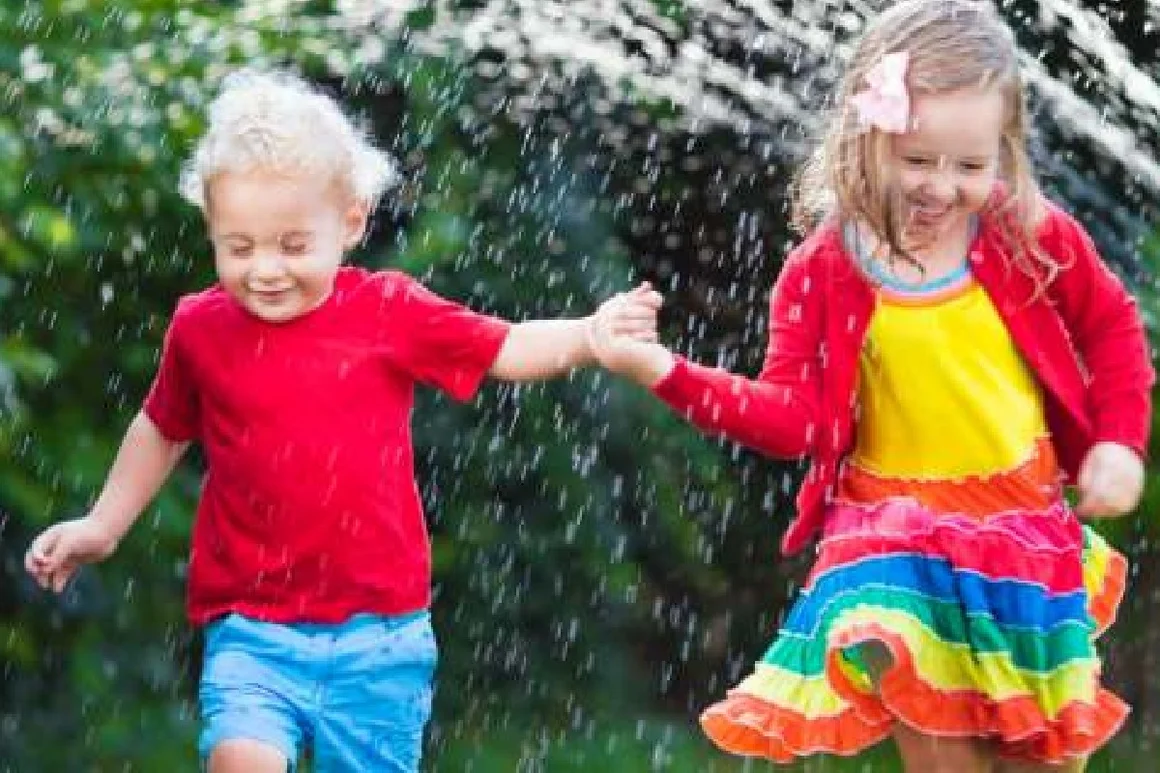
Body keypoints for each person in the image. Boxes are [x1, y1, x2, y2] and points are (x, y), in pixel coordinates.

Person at [24, 70, 660, 773]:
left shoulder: (388, 311)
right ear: (211, 228)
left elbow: (503, 345)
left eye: (292, 245)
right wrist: (102, 523)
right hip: (252, 629)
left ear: (350, 221)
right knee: (240, 758)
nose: (264, 268)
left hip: (379, 637)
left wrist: (587, 335)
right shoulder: (201, 328)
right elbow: (162, 426)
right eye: (239, 247)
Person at [588, 1, 1154, 770]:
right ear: (865, 141)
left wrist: (1120, 440)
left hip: (1021, 532)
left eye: (971, 165)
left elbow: (1112, 327)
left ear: (1004, 152)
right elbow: (791, 420)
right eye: (917, 161)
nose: (943, 187)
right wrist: (665, 371)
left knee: (1041, 760)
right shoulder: (823, 270)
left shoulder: (1029, 232)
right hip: (893, 536)